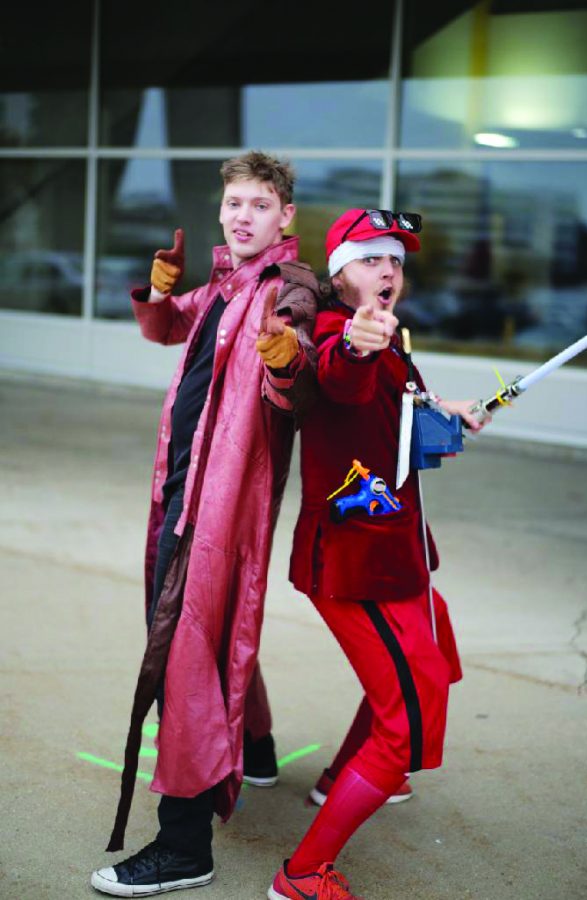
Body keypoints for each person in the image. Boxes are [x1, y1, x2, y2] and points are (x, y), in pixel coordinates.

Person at [91, 151, 320, 897]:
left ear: (286, 216)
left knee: (186, 653)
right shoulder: (226, 283)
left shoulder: (289, 289)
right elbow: (167, 328)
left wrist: (288, 363)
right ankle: (255, 748)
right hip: (182, 496)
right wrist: (159, 292)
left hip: (219, 512)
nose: (241, 215)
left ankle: (185, 842)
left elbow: (297, 368)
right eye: (233, 203)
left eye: (259, 204)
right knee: (210, 633)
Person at [269, 208, 489, 900]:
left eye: (394, 260)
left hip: (390, 549)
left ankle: (343, 775)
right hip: (354, 559)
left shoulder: (390, 340)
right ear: (338, 274)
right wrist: (364, 344)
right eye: (370, 258)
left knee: (435, 646)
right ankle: (302, 875)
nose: (388, 271)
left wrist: (444, 405)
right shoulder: (343, 334)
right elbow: (340, 375)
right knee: (409, 713)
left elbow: (393, 397)